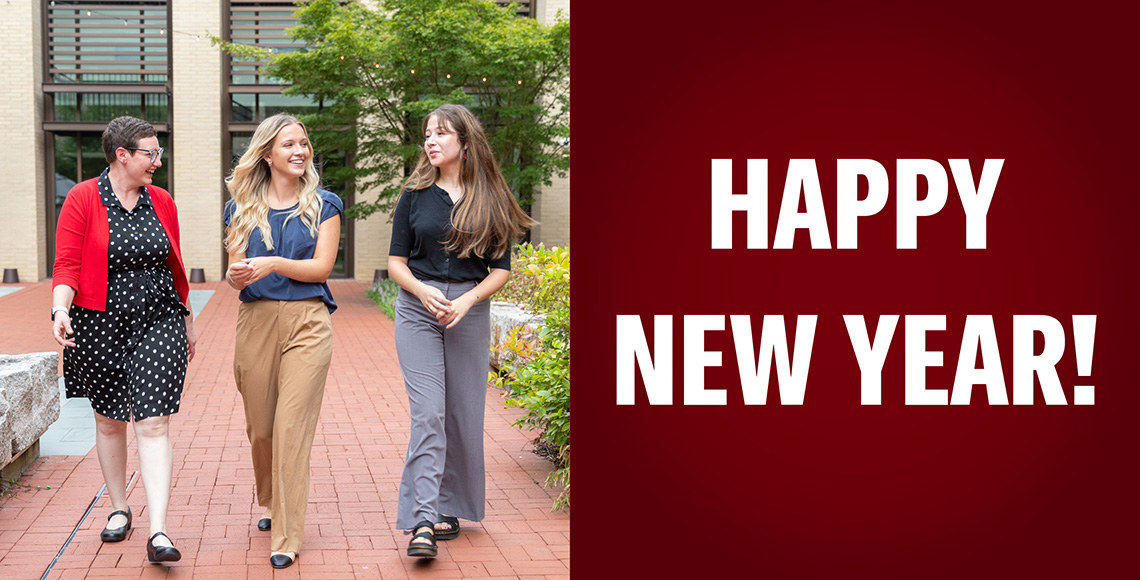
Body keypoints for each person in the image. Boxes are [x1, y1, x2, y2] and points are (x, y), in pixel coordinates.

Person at [389, 104, 537, 558]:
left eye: (442, 134)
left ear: (465, 143)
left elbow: (501, 270)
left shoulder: (490, 196)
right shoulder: (414, 195)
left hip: (468, 312)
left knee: (463, 414)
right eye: (428, 134)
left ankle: (450, 506)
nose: (431, 141)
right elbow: (395, 262)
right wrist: (422, 290)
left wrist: (469, 299)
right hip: (419, 310)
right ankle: (423, 520)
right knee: (429, 413)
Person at [51, 116, 194, 564]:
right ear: (122, 155)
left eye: (158, 152)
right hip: (98, 322)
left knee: (153, 421)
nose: (157, 160)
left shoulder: (162, 201)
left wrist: (187, 318)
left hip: (159, 318)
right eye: (150, 153)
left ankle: (159, 530)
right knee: (110, 420)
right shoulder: (82, 198)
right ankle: (118, 507)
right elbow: (67, 264)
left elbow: (174, 263)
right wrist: (60, 309)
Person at [223, 113, 342, 570]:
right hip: (254, 321)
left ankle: (287, 536)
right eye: (289, 144)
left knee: (292, 429)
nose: (300, 151)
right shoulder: (240, 207)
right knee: (263, 429)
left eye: (304, 143)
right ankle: (271, 500)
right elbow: (237, 273)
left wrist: (271, 261)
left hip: (308, 322)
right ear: (267, 154)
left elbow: (321, 269)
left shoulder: (324, 204)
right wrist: (238, 274)